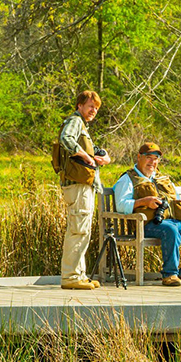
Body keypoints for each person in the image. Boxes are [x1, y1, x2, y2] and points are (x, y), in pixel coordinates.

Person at [112, 142, 181, 286]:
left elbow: (177, 201)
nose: (152, 162)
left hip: (176, 221)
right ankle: (170, 274)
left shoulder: (163, 178)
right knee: (170, 230)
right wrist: (144, 201)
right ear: (139, 157)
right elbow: (121, 205)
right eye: (149, 157)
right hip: (147, 224)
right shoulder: (128, 179)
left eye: (156, 158)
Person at [56, 90, 111, 290]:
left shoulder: (82, 126)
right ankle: (70, 276)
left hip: (84, 185)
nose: (93, 110)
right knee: (78, 230)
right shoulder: (75, 121)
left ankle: (79, 275)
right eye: (90, 106)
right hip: (78, 185)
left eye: (96, 108)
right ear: (79, 105)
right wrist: (85, 156)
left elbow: (91, 149)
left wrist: (102, 156)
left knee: (83, 230)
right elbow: (66, 138)